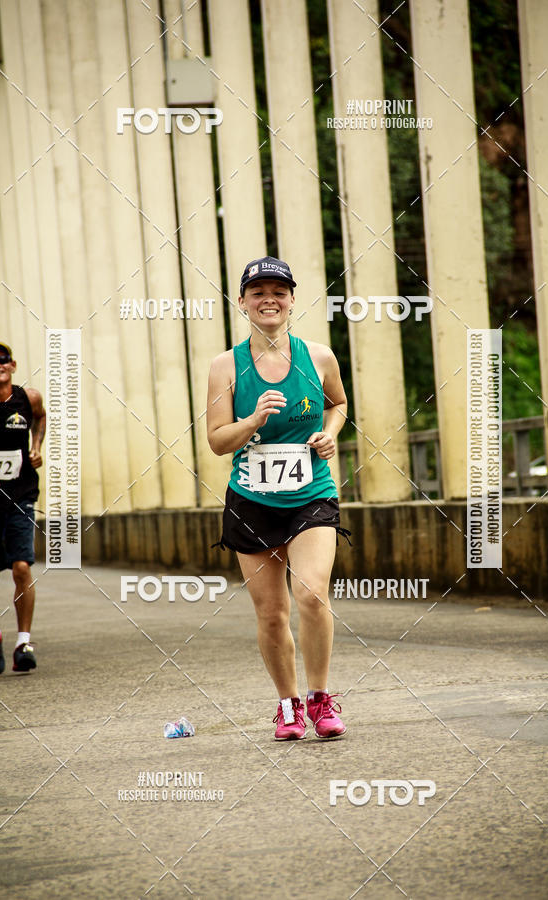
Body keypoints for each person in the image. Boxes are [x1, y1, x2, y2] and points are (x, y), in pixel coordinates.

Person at [207, 256, 350, 740]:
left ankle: (319, 698)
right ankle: (288, 704)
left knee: (311, 593)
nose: (269, 299)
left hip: (311, 493)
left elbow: (338, 403)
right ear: (242, 302)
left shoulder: (320, 357)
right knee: (272, 614)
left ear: (291, 300)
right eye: (258, 292)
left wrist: (330, 434)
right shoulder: (225, 366)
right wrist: (252, 421)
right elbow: (217, 441)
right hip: (252, 500)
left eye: (279, 291)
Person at [0, 341, 46, 674]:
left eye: (3, 359)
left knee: (21, 567)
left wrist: (36, 447)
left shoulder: (28, 399)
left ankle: (23, 643)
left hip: (21, 493)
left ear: (13, 365)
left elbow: (40, 418)